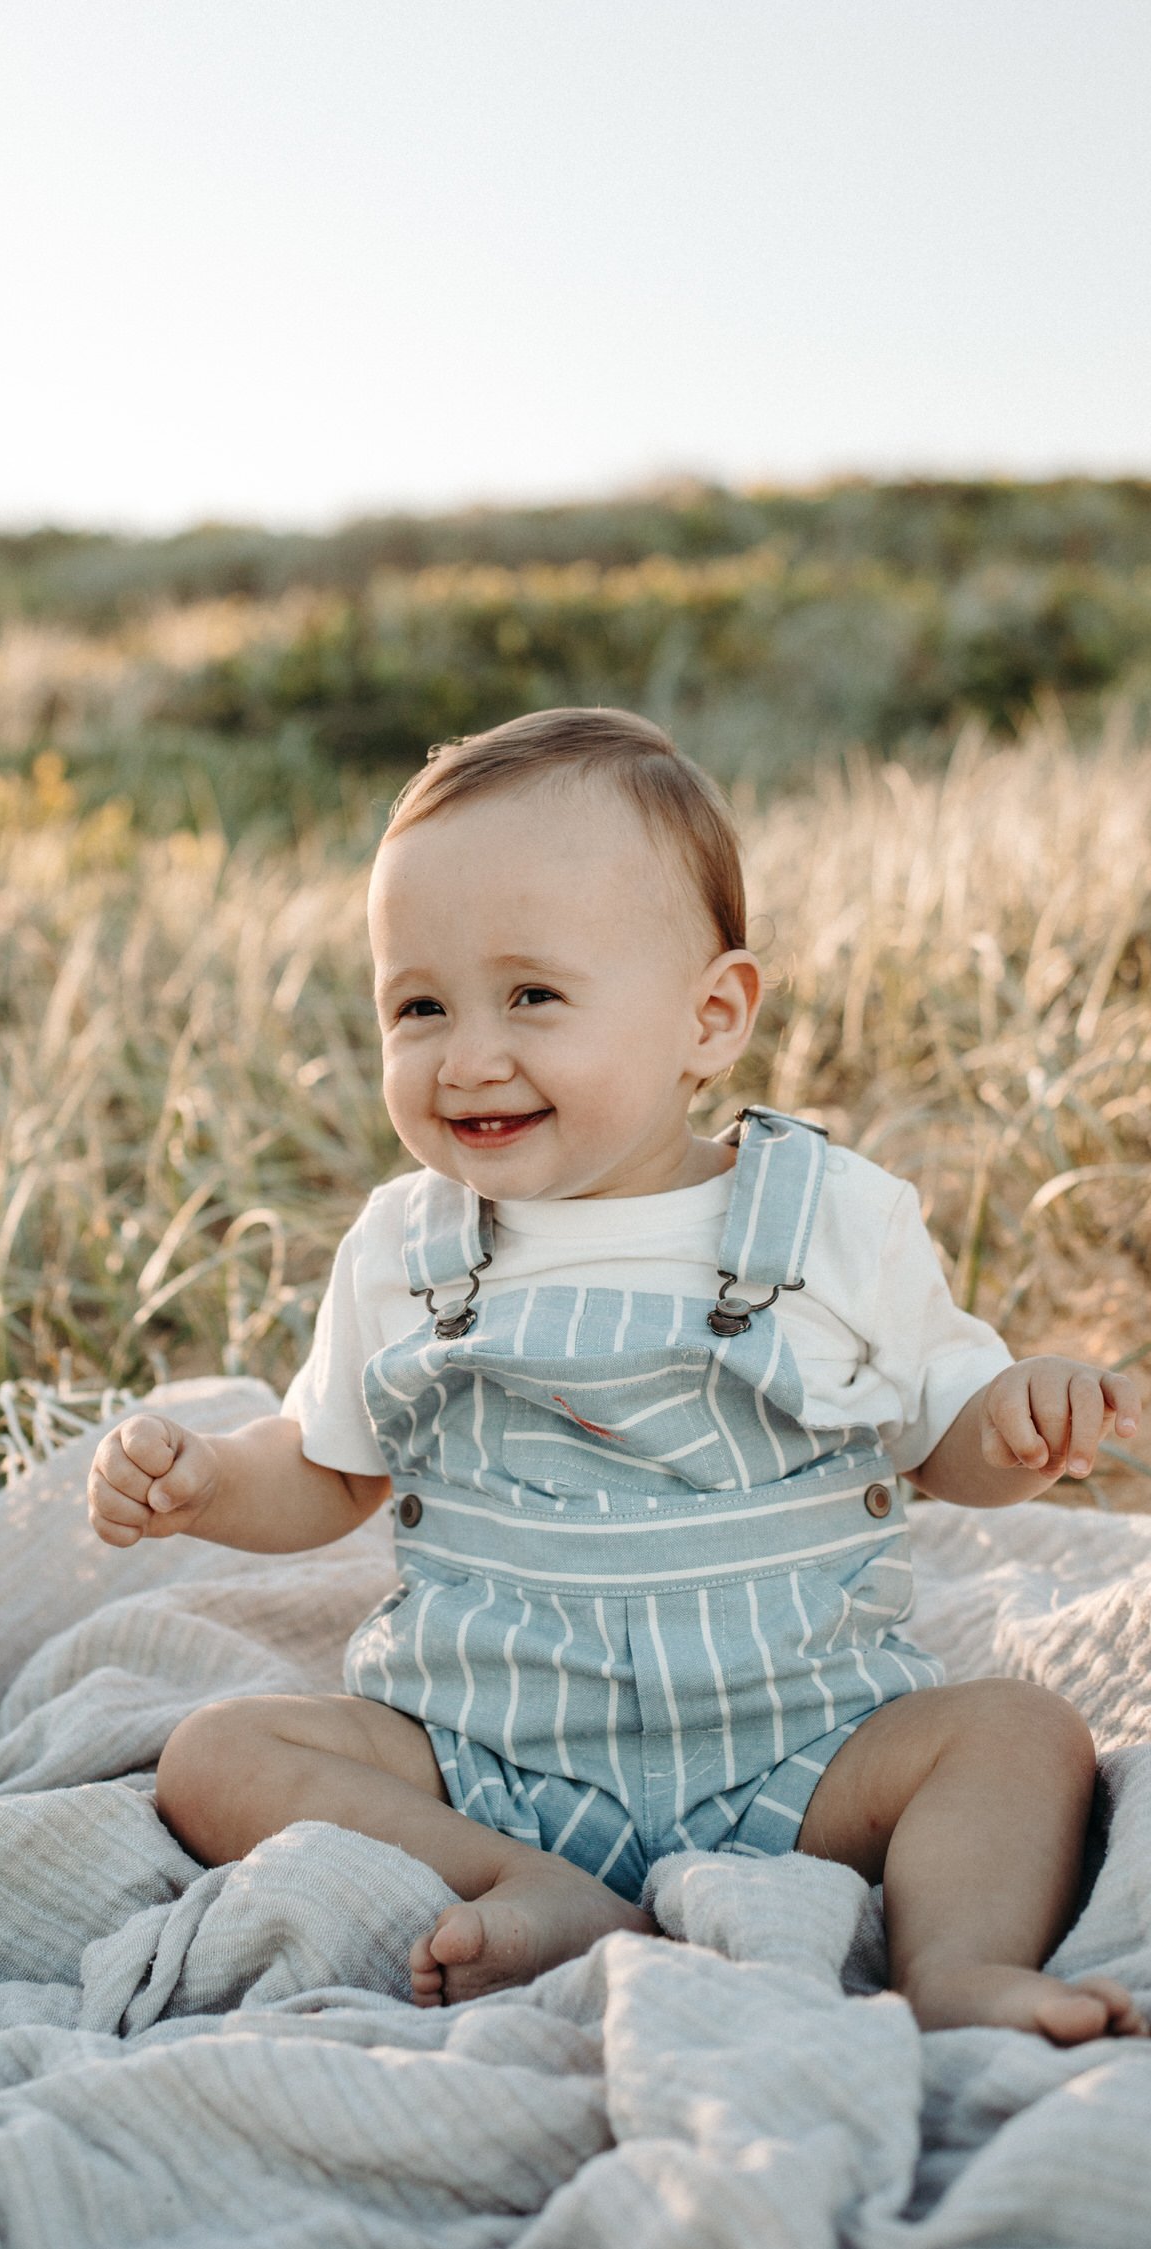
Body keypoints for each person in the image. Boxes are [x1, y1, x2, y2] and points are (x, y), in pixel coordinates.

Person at [88, 707, 1144, 2042]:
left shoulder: (832, 1219)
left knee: (1020, 1735)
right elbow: (323, 1467)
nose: (468, 1055)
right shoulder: (405, 1249)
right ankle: (525, 1883)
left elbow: (945, 1435)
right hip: (486, 1752)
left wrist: (1017, 1421)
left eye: (531, 995)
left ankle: (961, 1966)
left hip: (804, 1745)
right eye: (419, 1006)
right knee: (217, 1754)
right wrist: (208, 1482)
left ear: (712, 1017)